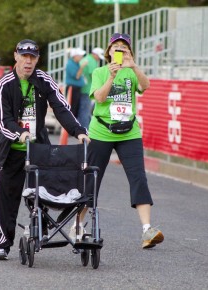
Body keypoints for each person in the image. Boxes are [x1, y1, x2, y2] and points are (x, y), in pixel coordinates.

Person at [0, 39, 90, 260]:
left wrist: (78, 130)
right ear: (15, 56)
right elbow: (3, 120)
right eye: (24, 56)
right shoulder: (4, 84)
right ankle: (3, 242)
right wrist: (20, 133)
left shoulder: (44, 80)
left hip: (39, 149)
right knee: (7, 197)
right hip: (12, 149)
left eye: (32, 57)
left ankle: (40, 228)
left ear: (37, 59)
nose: (28, 61)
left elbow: (61, 107)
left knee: (45, 192)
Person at [70, 33, 164, 249]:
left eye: (124, 47)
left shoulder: (132, 72)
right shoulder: (100, 71)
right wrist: (112, 76)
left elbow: (146, 85)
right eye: (116, 46)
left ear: (129, 52)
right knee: (92, 178)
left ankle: (146, 229)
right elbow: (100, 98)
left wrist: (134, 66)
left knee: (138, 177)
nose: (120, 49)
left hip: (129, 133)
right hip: (101, 132)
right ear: (109, 51)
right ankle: (77, 224)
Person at [77, 47, 104, 129]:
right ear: (94, 54)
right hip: (86, 89)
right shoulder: (91, 61)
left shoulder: (87, 58)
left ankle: (84, 127)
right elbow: (93, 75)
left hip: (82, 88)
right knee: (85, 110)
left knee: (83, 109)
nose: (99, 59)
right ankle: (85, 128)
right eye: (98, 57)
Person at [65, 47, 87, 119]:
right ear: (75, 56)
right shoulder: (70, 64)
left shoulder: (76, 63)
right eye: (80, 56)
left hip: (76, 89)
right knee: (72, 108)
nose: (81, 57)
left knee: (75, 108)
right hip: (72, 88)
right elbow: (77, 76)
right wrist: (82, 67)